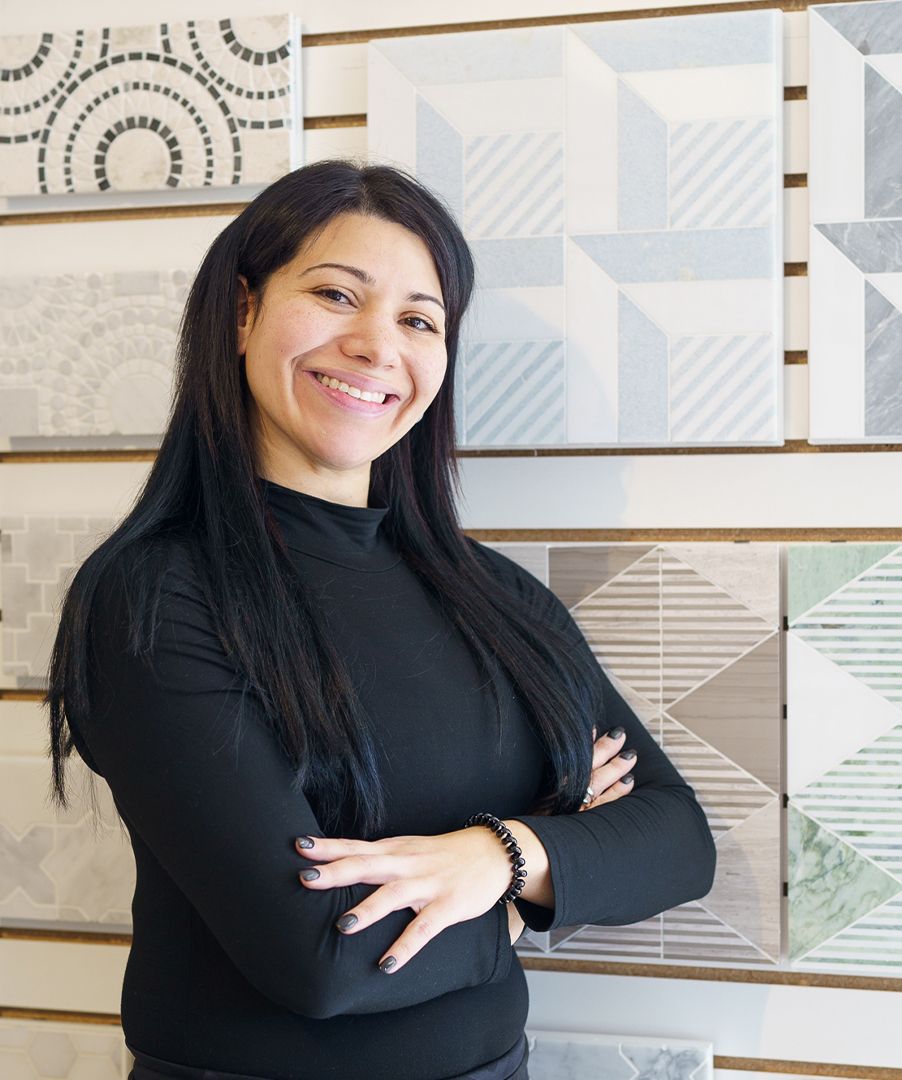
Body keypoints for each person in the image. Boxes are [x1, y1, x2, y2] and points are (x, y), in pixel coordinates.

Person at [44, 160, 718, 1080]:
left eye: (417, 319)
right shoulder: (155, 597)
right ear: (242, 313)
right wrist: (535, 882)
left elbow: (677, 839)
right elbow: (323, 961)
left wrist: (501, 850)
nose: (375, 345)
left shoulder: (499, 599)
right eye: (334, 294)